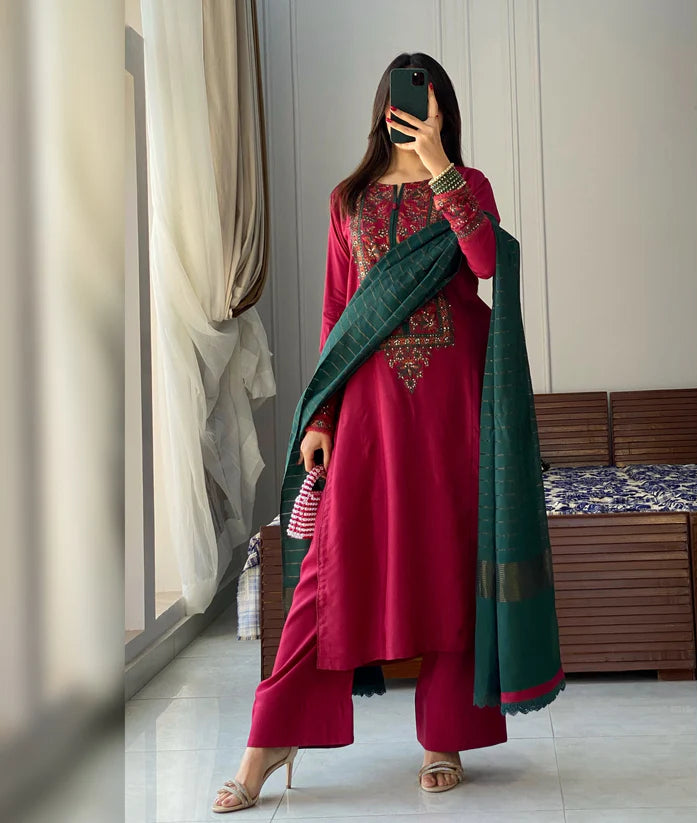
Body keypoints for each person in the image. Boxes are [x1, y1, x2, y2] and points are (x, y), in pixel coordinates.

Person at [213, 51, 513, 812]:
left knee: (449, 558)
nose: (416, 111)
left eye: (430, 102)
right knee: (327, 573)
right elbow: (337, 313)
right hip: (371, 410)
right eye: (406, 101)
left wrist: (439, 166)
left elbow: (484, 264)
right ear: (384, 109)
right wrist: (321, 415)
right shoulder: (347, 199)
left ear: (444, 110)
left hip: (452, 407)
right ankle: (268, 742)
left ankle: (443, 735)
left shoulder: (468, 186)